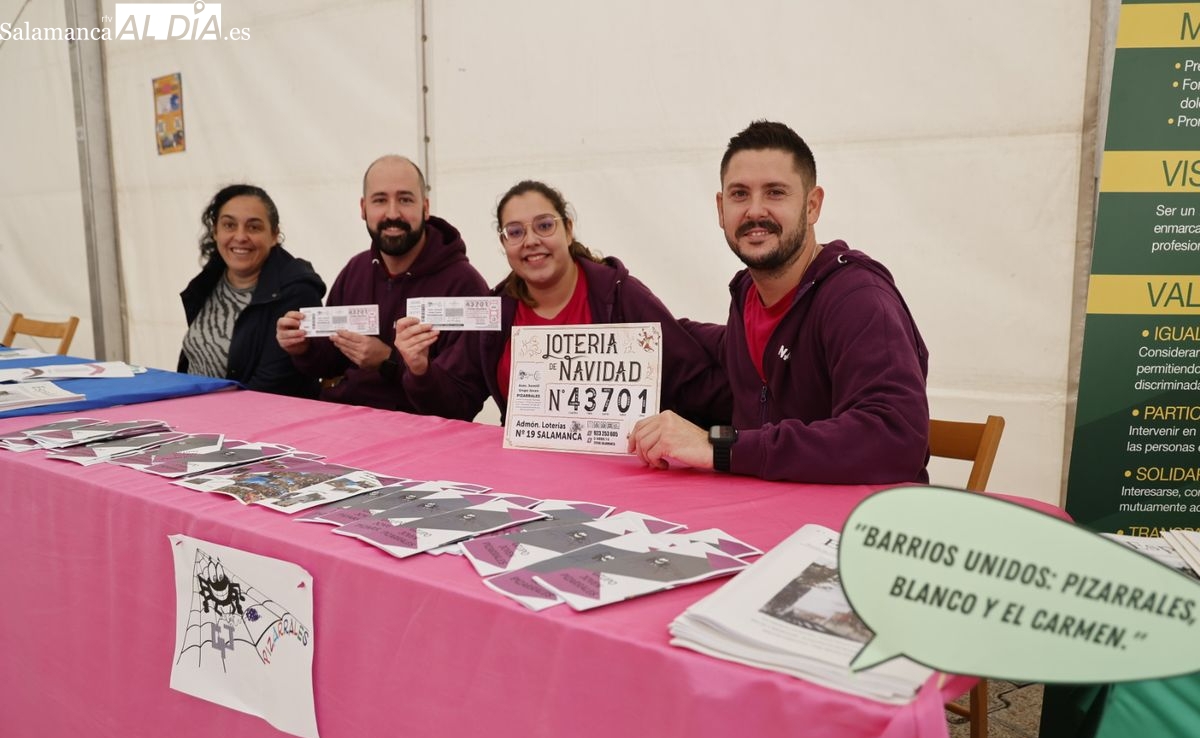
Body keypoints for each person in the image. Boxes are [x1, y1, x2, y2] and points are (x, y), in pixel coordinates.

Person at [628, 120, 929, 483]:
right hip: (759, 508)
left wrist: (719, 446)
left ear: (812, 206)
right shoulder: (746, 298)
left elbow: (894, 438)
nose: (755, 211)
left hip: (857, 516)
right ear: (721, 209)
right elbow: (707, 346)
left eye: (775, 192)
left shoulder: (858, 300)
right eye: (740, 194)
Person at [394, 179, 730, 425]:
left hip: (615, 474)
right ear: (504, 243)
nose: (531, 241)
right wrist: (421, 370)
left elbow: (688, 380)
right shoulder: (497, 311)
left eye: (544, 225)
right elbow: (456, 406)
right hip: (528, 476)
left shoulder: (618, 294)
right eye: (515, 232)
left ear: (568, 230)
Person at [275, 155, 488, 410]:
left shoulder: (465, 287)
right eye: (380, 200)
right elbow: (328, 362)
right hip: (341, 416)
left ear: (425, 207)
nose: (393, 213)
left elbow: (461, 403)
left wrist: (389, 362)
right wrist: (302, 346)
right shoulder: (356, 269)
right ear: (363, 208)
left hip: (419, 428)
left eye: (405, 199)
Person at [179, 184, 326, 398]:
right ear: (215, 232)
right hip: (194, 407)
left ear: (274, 235)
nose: (240, 236)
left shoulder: (297, 291)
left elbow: (272, 387)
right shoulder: (209, 279)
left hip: (253, 415)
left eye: (254, 227)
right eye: (229, 225)